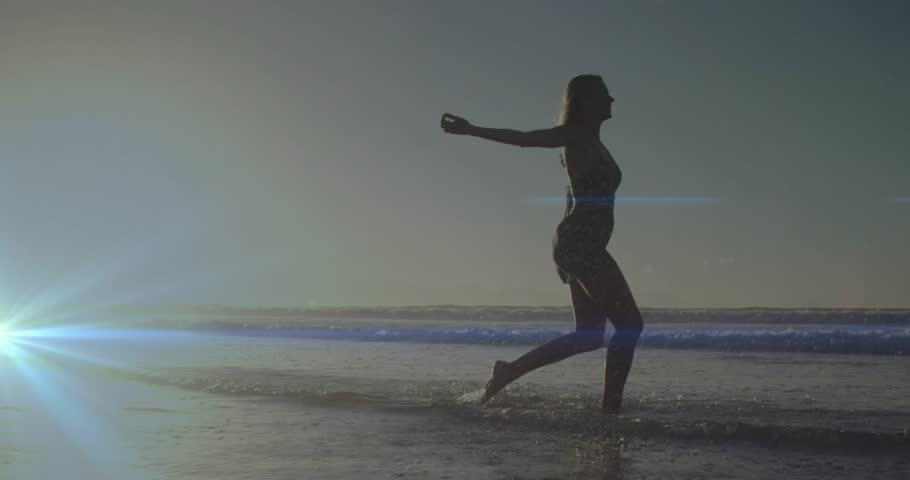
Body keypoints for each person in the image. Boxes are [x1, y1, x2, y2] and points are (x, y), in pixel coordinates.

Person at [439, 74, 644, 414]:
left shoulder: (595, 144)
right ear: (585, 101)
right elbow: (524, 139)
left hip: (579, 245)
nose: (611, 100)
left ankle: (509, 371)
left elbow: (570, 196)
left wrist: (562, 253)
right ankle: (610, 411)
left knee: (589, 336)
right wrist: (472, 129)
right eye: (604, 94)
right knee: (630, 325)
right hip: (582, 245)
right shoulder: (574, 137)